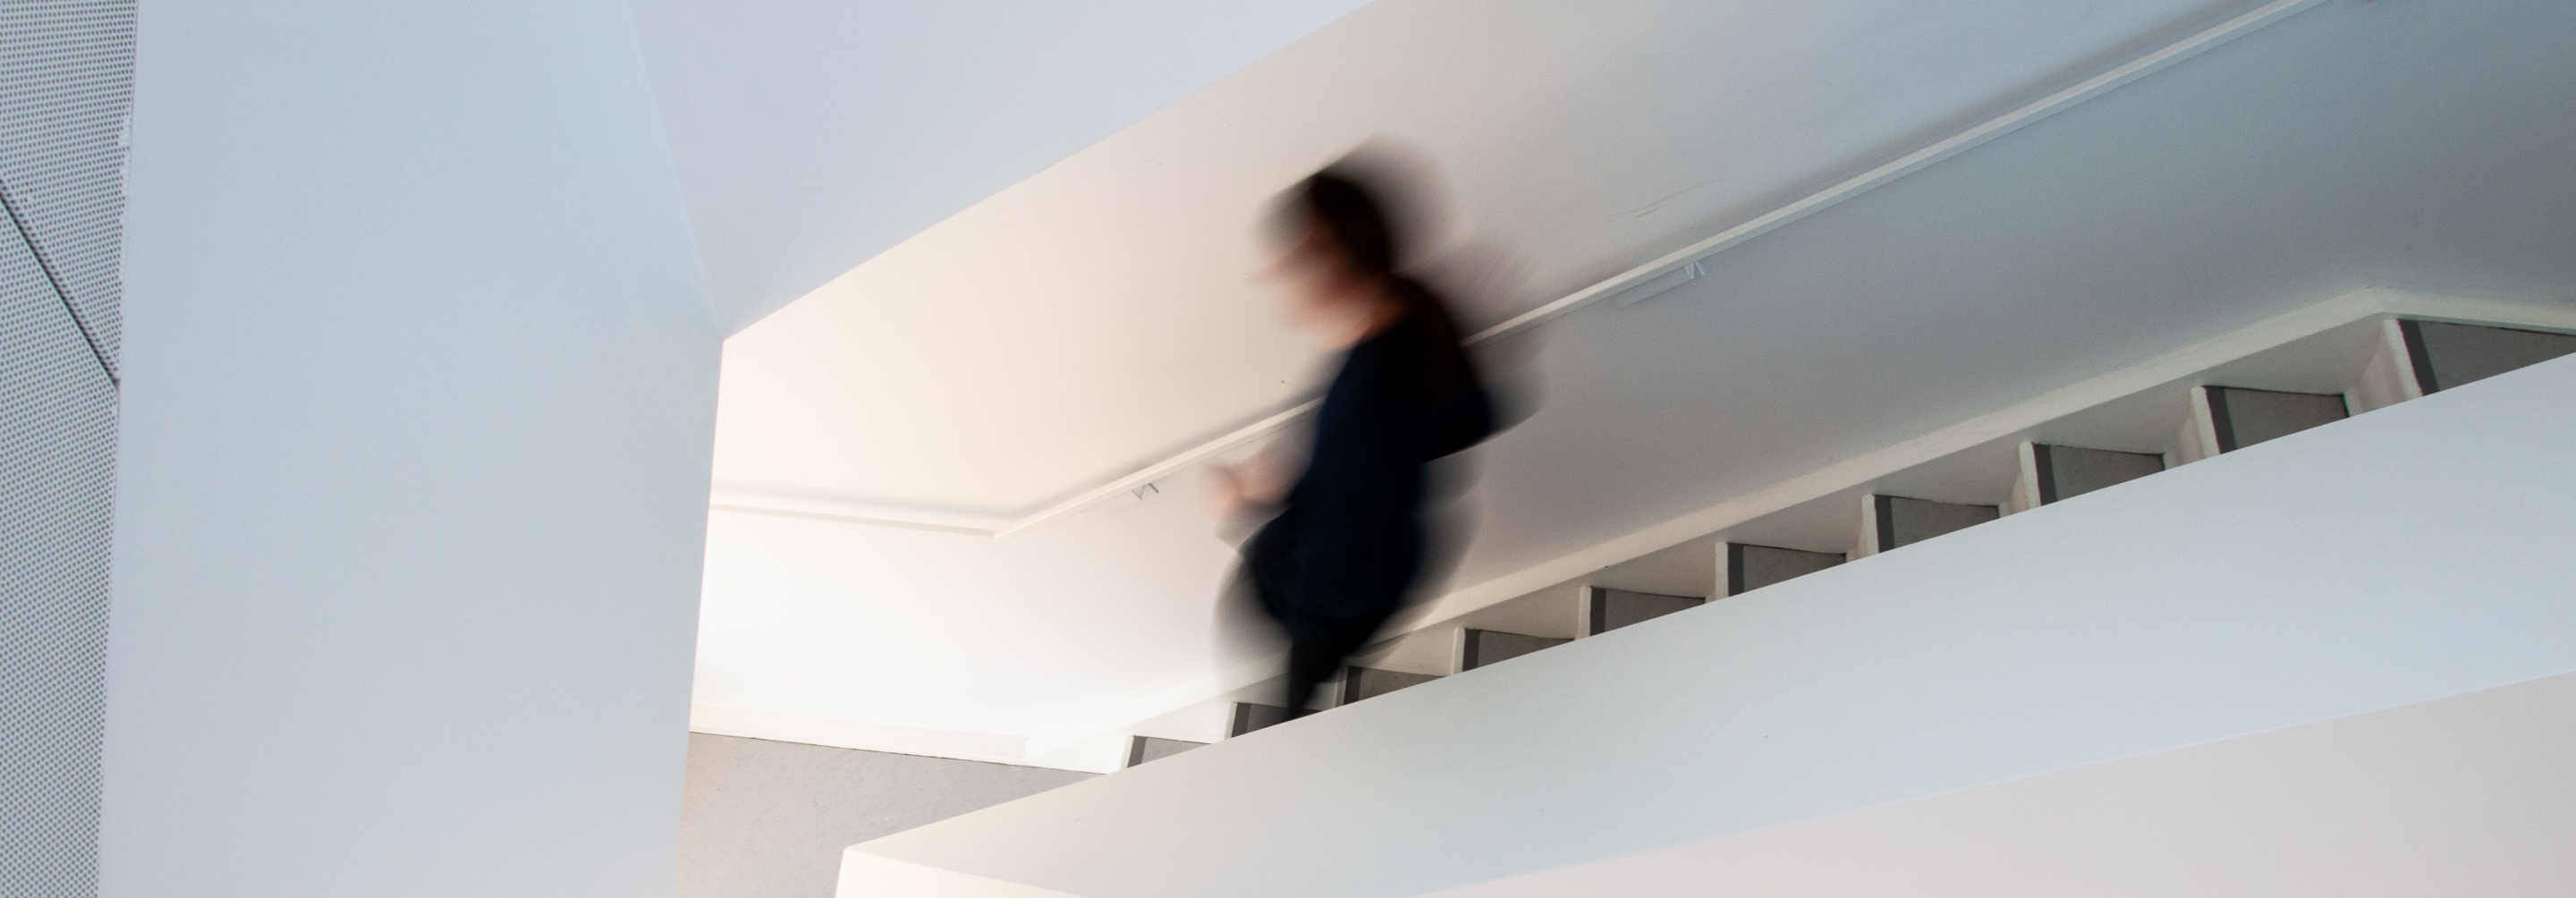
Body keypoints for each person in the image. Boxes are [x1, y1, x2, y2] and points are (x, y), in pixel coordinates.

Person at [1210, 164, 1496, 716]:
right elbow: (1471, 418)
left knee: (1287, 719)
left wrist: (1247, 504)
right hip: (1383, 565)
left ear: (1331, 264)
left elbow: (1344, 565)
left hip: (1337, 599)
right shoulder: (1410, 322)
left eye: (1290, 259)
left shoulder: (1369, 387)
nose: (1272, 273)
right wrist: (1311, 473)